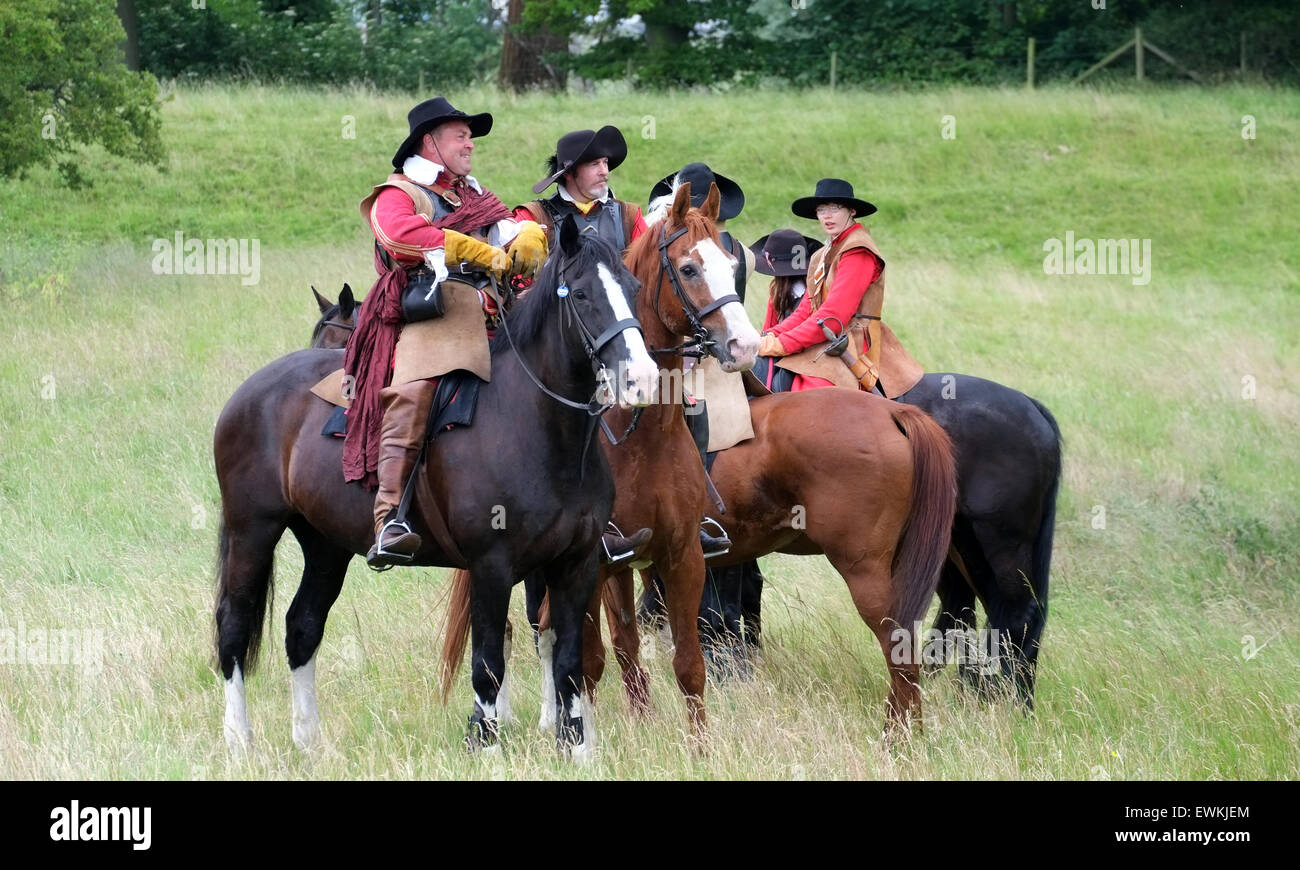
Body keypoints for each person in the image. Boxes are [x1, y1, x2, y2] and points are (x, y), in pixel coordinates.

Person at [757, 178, 889, 393]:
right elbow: (807, 310)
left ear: (852, 210)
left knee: (808, 394)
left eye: (834, 208)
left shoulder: (858, 250)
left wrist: (782, 344)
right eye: (821, 210)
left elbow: (833, 317)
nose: (826, 215)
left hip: (854, 343)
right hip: (829, 337)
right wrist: (769, 336)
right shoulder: (822, 254)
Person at [515, 126, 648, 251]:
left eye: (605, 162)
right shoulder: (533, 217)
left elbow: (647, 271)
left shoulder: (629, 216)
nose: (604, 171)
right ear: (568, 173)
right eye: (594, 164)